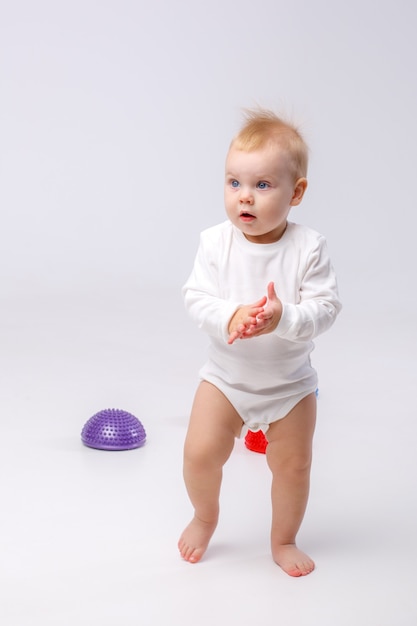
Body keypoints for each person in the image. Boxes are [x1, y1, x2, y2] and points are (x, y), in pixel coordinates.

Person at [178, 108, 342, 576]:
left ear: (297, 192)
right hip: (226, 379)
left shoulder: (308, 248)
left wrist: (282, 316)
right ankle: (204, 515)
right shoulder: (215, 243)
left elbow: (326, 309)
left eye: (262, 185)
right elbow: (195, 298)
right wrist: (231, 313)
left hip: (289, 386)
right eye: (234, 183)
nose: (244, 197)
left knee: (293, 467)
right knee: (199, 453)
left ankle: (283, 539)